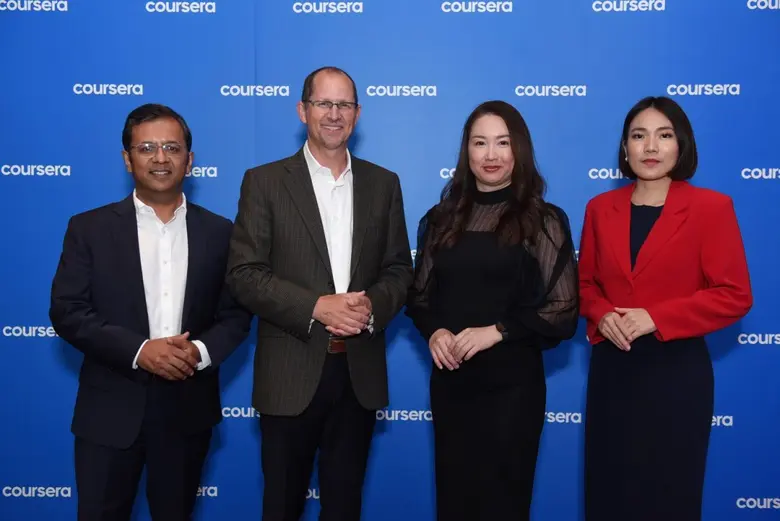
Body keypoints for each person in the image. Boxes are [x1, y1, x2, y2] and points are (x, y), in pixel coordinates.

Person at [225, 66, 413, 521]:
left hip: (358, 376)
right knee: (281, 506)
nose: (334, 114)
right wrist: (315, 306)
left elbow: (398, 269)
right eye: (323, 103)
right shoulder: (265, 181)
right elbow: (245, 273)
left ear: (357, 114)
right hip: (289, 374)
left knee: (345, 507)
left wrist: (369, 308)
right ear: (302, 110)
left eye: (344, 105)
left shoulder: (383, 183)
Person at [49, 103, 252, 521]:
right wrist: (141, 351)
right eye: (147, 148)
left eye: (172, 148)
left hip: (187, 411)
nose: (161, 158)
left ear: (189, 160)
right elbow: (68, 311)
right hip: (108, 413)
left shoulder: (222, 233)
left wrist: (198, 352)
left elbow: (235, 316)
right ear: (128, 159)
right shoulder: (88, 229)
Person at [579, 96, 753, 521]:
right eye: (639, 136)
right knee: (609, 495)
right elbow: (584, 285)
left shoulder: (712, 208)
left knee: (669, 497)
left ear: (681, 145)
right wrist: (602, 313)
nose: (651, 147)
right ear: (625, 148)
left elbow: (734, 294)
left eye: (664, 135)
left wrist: (656, 316)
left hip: (676, 375)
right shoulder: (599, 209)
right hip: (613, 372)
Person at [405, 100, 579, 521]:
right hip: (452, 385)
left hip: (513, 389)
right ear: (466, 151)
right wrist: (435, 332)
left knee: (504, 503)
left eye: (502, 142)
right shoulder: (440, 219)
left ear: (519, 149)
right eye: (479, 142)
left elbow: (563, 309)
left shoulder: (543, 220)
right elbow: (420, 298)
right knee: (455, 502)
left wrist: (496, 331)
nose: (491, 154)